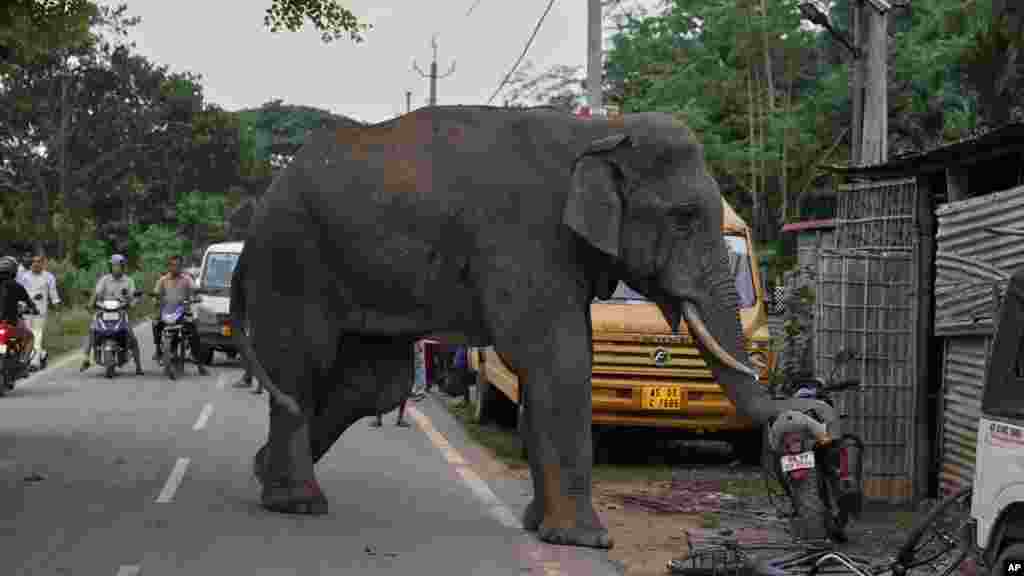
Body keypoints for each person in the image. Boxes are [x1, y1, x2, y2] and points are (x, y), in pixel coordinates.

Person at [80, 254, 144, 375]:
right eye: (113, 266)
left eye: (118, 266)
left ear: (123, 267)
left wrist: (131, 301)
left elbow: (133, 296)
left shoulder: (129, 281)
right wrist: (90, 304)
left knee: (131, 336)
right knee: (92, 330)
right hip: (104, 310)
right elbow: (96, 293)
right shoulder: (104, 279)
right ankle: (86, 359)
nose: (115, 268)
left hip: (121, 311)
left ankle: (138, 366)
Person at [152, 254, 207, 375]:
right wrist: (156, 300)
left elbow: (195, 290)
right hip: (167, 312)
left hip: (183, 312)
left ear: (181, 266)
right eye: (172, 265)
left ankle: (199, 364)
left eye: (177, 265)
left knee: (194, 334)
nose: (174, 268)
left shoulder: (187, 279)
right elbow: (156, 294)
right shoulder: (162, 280)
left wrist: (197, 297)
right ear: (168, 266)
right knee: (155, 323)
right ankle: (158, 349)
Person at [18, 254, 61, 370]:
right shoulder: (24, 276)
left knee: (36, 336)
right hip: (25, 312)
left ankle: (34, 363)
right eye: (34, 262)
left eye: (39, 262)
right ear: (31, 263)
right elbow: (18, 292)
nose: (36, 264)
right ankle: (42, 354)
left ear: (43, 264)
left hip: (40, 313)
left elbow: (54, 295)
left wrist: (57, 312)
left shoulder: (49, 277)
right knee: (25, 337)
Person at [0, 256, 40, 365]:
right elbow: (29, 303)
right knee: (30, 337)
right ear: (14, 270)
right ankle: (23, 361)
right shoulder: (16, 286)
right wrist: (35, 310)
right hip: (9, 324)